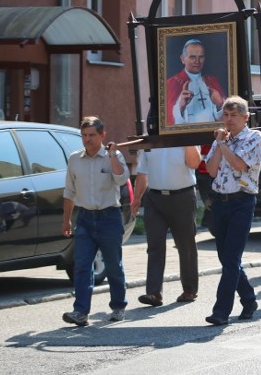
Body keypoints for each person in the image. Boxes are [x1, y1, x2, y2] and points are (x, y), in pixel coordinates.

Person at [61, 116, 130, 326]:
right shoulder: (74, 159)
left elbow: (121, 179)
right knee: (81, 266)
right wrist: (66, 221)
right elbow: (69, 192)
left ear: (102, 135)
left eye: (92, 135)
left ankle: (118, 306)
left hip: (109, 217)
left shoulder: (113, 155)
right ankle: (80, 311)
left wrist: (112, 155)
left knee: (113, 266)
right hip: (84, 218)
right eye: (84, 135)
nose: (87, 139)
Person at [204, 96, 261, 325]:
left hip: (242, 201)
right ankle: (249, 299)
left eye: (233, 116)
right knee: (226, 258)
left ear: (245, 117)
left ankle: (221, 311)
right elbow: (211, 170)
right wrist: (220, 143)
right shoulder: (221, 139)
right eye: (226, 115)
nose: (228, 120)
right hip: (220, 201)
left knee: (231, 258)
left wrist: (222, 145)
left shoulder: (254, 138)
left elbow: (239, 164)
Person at [132, 145, 201, 307]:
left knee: (186, 245)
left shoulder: (183, 136)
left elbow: (194, 163)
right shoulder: (149, 142)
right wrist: (137, 198)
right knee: (154, 245)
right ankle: (154, 293)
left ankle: (189, 289)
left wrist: (187, 140)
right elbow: (142, 171)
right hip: (155, 198)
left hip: (182, 196)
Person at [167, 39, 226, 125]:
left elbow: (227, 119)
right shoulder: (171, 84)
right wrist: (181, 106)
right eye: (192, 57)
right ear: (183, 59)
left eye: (201, 57)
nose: (197, 61)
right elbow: (168, 121)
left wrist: (220, 104)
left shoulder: (212, 81)